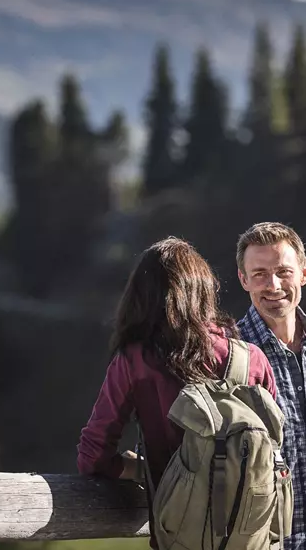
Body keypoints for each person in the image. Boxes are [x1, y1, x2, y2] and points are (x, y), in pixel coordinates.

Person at [77, 236, 276, 549]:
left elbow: (92, 458)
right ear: (205, 291)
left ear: (141, 298)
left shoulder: (135, 361)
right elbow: (276, 454)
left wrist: (140, 469)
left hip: (178, 538)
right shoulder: (252, 359)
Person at [237, 221, 306, 550]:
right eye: (260, 274)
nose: (273, 285)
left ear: (303, 273)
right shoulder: (229, 357)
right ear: (244, 280)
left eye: (283, 272)